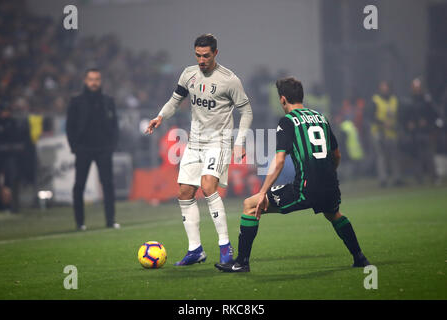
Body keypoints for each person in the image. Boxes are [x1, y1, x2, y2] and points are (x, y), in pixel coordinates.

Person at [215, 77, 370, 273]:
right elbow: (336, 154)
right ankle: (360, 258)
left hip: (305, 189)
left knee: (251, 204)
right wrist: (328, 175)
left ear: (282, 100)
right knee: (333, 214)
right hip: (330, 185)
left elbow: (279, 160)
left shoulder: (287, 122)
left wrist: (263, 191)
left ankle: (241, 262)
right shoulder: (321, 117)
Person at [146, 34, 253, 266]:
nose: (201, 60)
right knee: (184, 191)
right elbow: (175, 100)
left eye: (206, 55)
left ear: (215, 53)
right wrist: (160, 116)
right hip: (194, 143)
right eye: (198, 55)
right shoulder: (188, 74)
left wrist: (240, 141)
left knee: (207, 187)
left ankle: (225, 246)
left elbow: (247, 112)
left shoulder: (229, 80)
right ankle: (195, 249)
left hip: (219, 142)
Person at [66, 68, 120, 230]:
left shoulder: (107, 100)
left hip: (104, 148)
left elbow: (115, 125)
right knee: (79, 185)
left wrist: (112, 145)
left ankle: (110, 221)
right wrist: (74, 147)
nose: (94, 82)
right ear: (85, 80)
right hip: (83, 148)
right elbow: (70, 126)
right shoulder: (76, 101)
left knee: (108, 184)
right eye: (91, 79)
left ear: (100, 81)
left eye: (96, 79)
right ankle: (79, 223)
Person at [368, 81, 402, 187]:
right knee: (381, 156)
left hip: (392, 132)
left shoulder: (394, 100)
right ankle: (383, 179)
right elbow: (370, 116)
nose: (385, 90)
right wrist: (382, 123)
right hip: (378, 132)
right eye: (383, 88)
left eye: (386, 88)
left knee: (394, 156)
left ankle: (397, 178)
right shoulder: (375, 100)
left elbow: (399, 115)